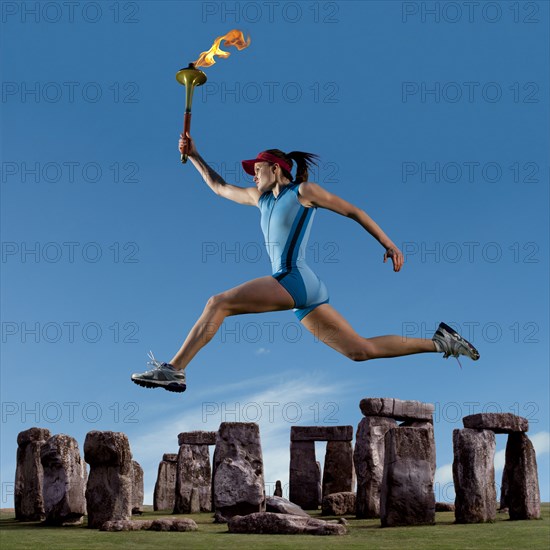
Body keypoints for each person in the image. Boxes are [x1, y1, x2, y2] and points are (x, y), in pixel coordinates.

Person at [131, 134, 479, 393]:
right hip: (304, 290)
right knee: (360, 351)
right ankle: (442, 342)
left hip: (293, 279)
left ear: (276, 168)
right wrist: (194, 155)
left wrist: (387, 243)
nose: (252, 174)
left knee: (218, 303)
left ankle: (176, 368)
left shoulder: (303, 192)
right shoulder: (260, 198)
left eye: (257, 168)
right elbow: (219, 186)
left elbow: (353, 210)